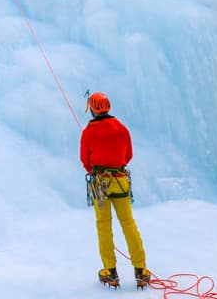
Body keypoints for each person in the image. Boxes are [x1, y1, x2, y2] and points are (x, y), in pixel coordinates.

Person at [80, 92, 150, 290]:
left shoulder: (88, 132)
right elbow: (128, 155)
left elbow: (85, 161)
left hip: (100, 182)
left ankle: (110, 272)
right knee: (128, 224)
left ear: (92, 109)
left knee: (103, 225)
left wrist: (98, 171)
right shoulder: (121, 128)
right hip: (120, 181)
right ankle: (140, 270)